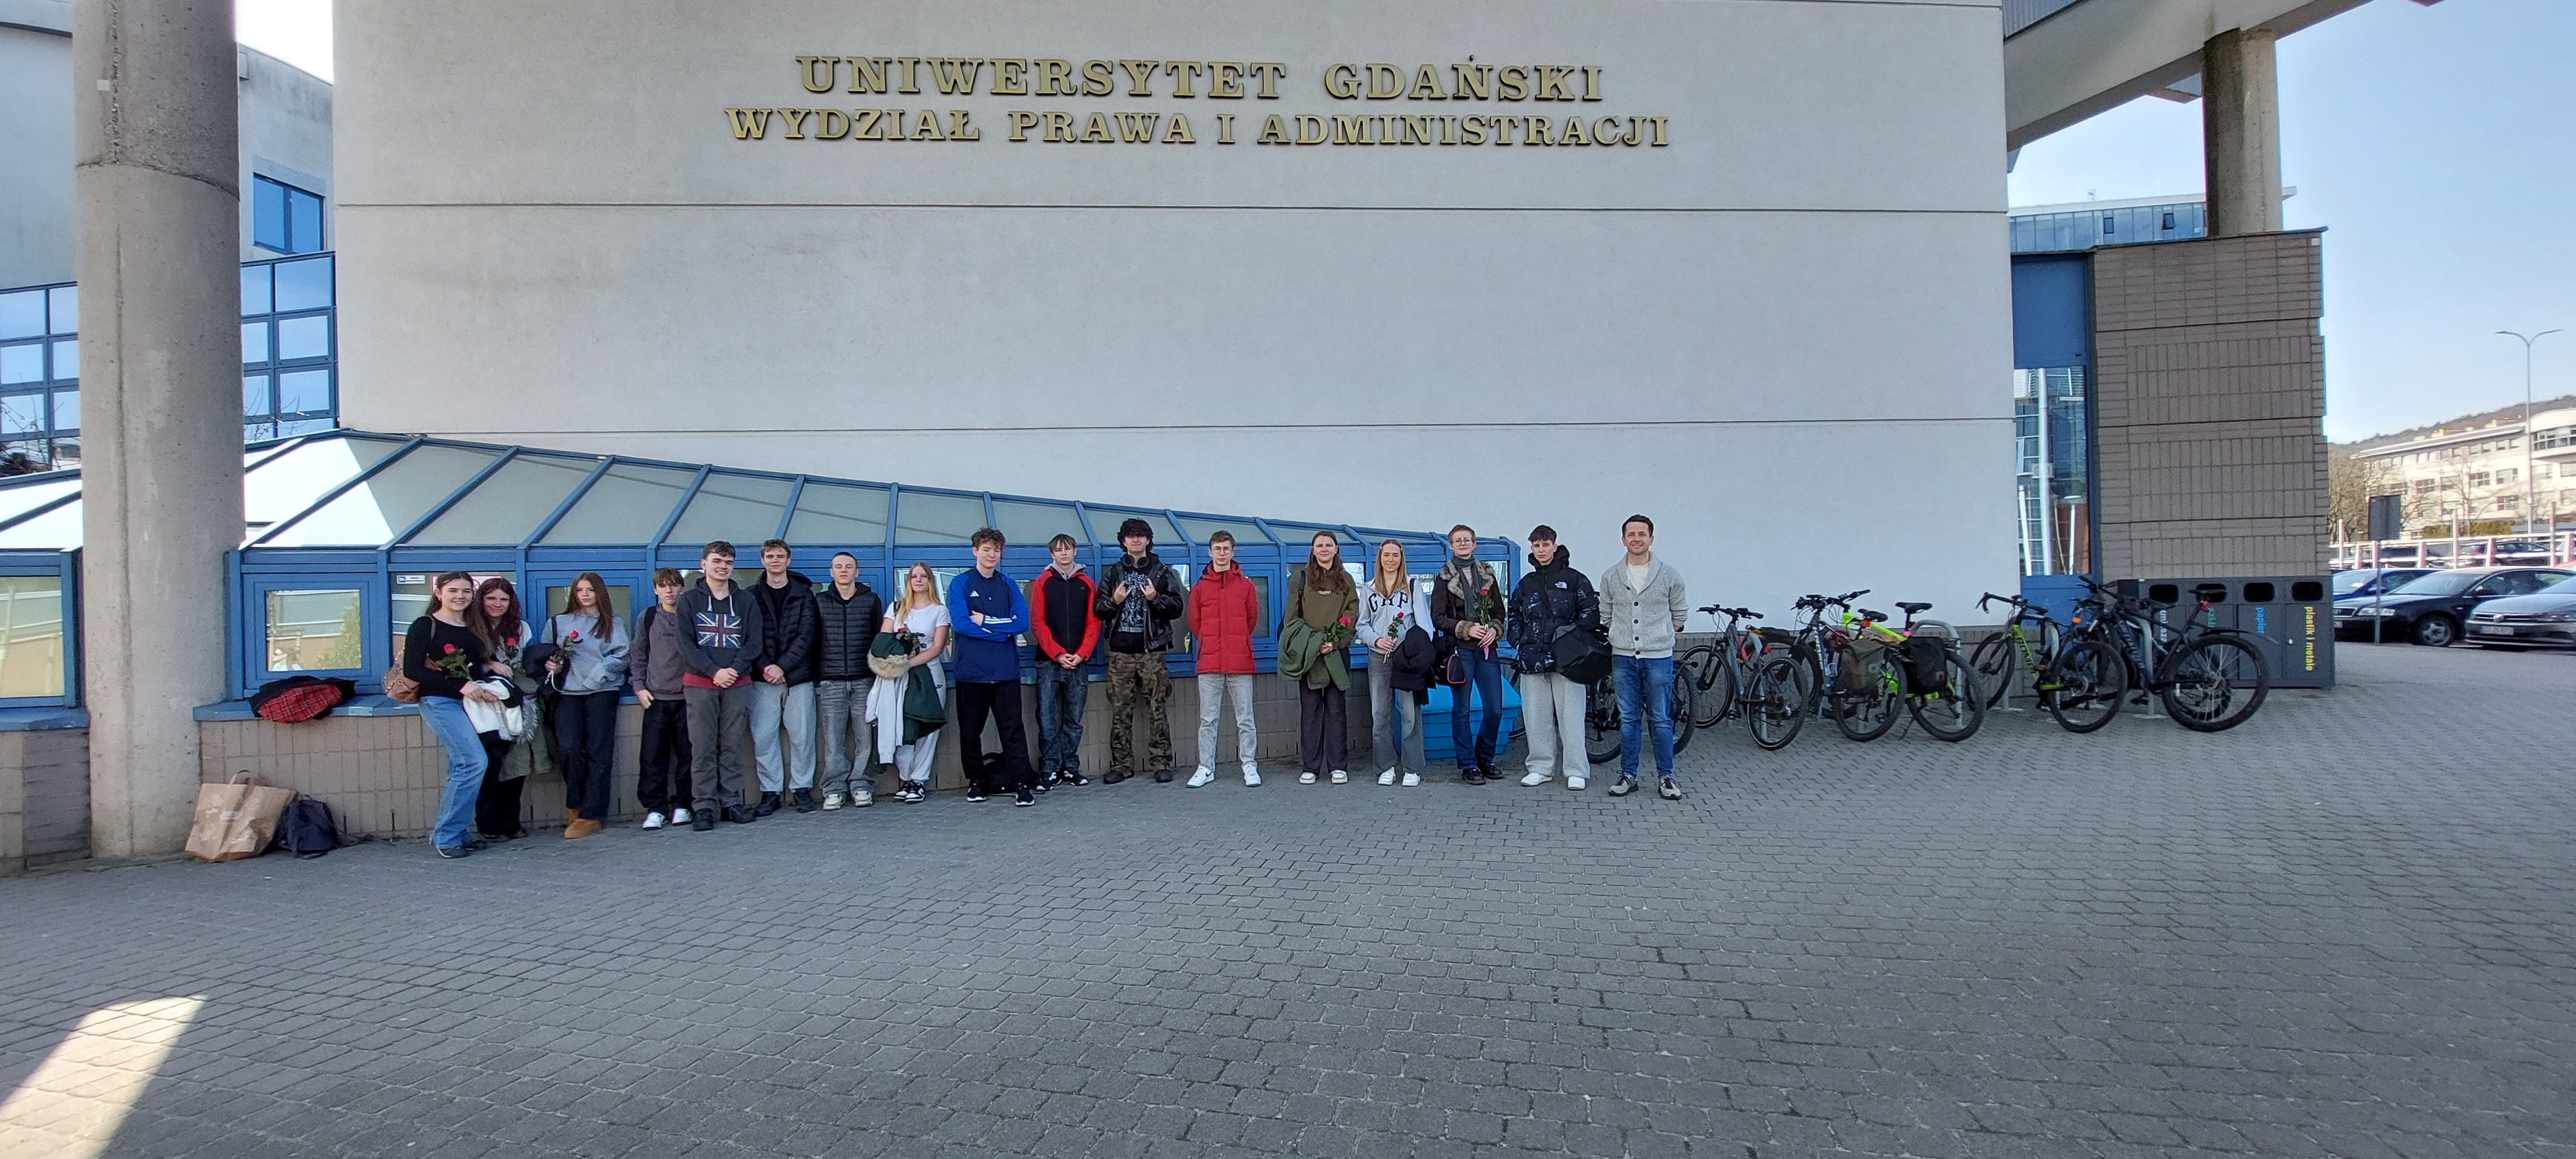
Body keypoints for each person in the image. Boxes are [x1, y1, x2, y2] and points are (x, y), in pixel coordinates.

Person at [409, 571, 507, 859]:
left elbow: (475, 665)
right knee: (473, 762)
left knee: (462, 766)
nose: (460, 596)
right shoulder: (424, 625)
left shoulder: (474, 625)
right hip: (440, 701)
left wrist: (489, 670)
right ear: (439, 593)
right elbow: (413, 669)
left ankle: (459, 833)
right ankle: (447, 836)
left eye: (466, 591)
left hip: (472, 704)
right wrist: (460, 685)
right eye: (453, 591)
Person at [676, 541, 766, 831]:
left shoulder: (745, 601)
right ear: (703, 564)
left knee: (731, 745)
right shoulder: (689, 601)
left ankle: (731, 802)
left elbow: (754, 641)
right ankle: (704, 806)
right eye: (717, 561)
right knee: (702, 746)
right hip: (700, 684)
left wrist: (734, 670)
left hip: (737, 684)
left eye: (728, 562)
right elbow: (685, 644)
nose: (723, 567)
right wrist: (714, 671)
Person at [1599, 514, 1689, 800]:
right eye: (1631, 534)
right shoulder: (1611, 576)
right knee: (1628, 719)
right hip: (1623, 658)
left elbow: (1680, 613)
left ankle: (1666, 777)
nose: (1636, 539)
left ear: (1651, 538)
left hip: (1658, 658)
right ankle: (1628, 775)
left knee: (1660, 718)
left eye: (1642, 534)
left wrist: (1661, 635)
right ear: (1623, 540)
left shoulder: (1669, 575)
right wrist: (1619, 635)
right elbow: (1606, 614)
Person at [948, 528, 1039, 806]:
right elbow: (961, 624)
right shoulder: (960, 583)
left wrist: (986, 622)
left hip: (1005, 673)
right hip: (971, 673)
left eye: (996, 550)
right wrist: (1002, 630)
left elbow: (1022, 623)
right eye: (986, 549)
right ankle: (976, 782)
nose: (992, 555)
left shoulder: (1009, 585)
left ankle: (1022, 784)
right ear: (975, 551)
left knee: (1013, 731)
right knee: (970, 732)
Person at [1092, 517, 1186, 784]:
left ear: (1148, 540)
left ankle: (1161, 763)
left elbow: (1178, 608)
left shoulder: (1162, 572)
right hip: (1120, 653)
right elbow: (1098, 609)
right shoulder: (1114, 573)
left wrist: (1155, 598)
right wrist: (1114, 601)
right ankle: (1122, 765)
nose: (1136, 540)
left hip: (1152, 651)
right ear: (1123, 541)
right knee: (1120, 709)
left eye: (1140, 536)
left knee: (1157, 708)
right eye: (1131, 536)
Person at [1511, 526, 1600, 791]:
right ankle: (1540, 767)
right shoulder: (1526, 583)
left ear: (1555, 546)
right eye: (1536, 546)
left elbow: (1590, 613)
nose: (1541, 550)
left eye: (1545, 544)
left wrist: (1570, 642)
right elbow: (1514, 614)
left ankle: (1576, 770)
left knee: (1571, 717)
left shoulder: (1575, 579)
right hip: (1532, 661)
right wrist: (1519, 640)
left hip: (1567, 663)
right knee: (1536, 718)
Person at [544, 572, 629, 838]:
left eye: (590, 590)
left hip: (602, 691)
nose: (585, 595)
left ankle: (592, 814)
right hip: (567, 692)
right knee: (569, 748)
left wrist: (598, 675)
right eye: (580, 590)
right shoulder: (558, 622)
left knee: (598, 752)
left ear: (600, 592)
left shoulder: (612, 622)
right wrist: (551, 663)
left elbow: (622, 654)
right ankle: (576, 804)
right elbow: (545, 651)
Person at [470, 577, 552, 841]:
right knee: (493, 761)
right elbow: (462, 665)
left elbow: (526, 663)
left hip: (516, 700)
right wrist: (489, 665)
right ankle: (488, 823)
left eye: (503, 599)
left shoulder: (521, 628)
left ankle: (510, 821)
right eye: (491, 598)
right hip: (484, 702)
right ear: (481, 600)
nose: (497, 604)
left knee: (518, 761)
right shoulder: (470, 627)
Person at [746, 540, 820, 815]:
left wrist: (783, 667)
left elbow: (807, 635)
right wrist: (767, 666)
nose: (775, 560)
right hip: (761, 677)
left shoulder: (804, 594)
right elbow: (750, 636)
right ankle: (771, 792)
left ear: (789, 561)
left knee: (802, 736)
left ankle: (802, 789)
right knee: (764, 737)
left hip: (798, 676)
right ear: (763, 560)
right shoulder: (750, 595)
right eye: (770, 556)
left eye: (780, 556)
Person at [1432, 525, 1508, 784]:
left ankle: (1485, 758)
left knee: (1495, 709)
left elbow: (1500, 612)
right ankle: (1468, 765)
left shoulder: (1487, 573)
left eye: (1467, 540)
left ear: (1475, 544)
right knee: (1462, 709)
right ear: (1451, 545)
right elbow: (1437, 618)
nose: (1463, 544)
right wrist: (1466, 628)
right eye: (1458, 541)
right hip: (1460, 650)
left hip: (1487, 650)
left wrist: (1494, 629)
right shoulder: (1444, 577)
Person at [1186, 531, 1262, 787]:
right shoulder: (1200, 588)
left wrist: (1236, 643)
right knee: (1208, 720)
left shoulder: (1246, 586)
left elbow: (1251, 621)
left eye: (1226, 549)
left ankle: (1249, 765)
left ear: (1232, 552)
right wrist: (1212, 643)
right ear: (1210, 552)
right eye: (1217, 549)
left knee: (1246, 719)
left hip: (1240, 663)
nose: (1222, 553)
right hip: (1210, 663)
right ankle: (1206, 768)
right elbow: (1195, 623)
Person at [1282, 531, 1356, 786]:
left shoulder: (1346, 580)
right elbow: (1292, 618)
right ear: (1313, 550)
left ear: (1336, 549)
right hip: (1309, 654)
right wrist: (1312, 644)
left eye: (1329, 545)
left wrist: (1335, 642)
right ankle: (1311, 767)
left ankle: (1338, 766)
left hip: (1336, 653)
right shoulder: (1300, 579)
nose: (1324, 549)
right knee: (1311, 710)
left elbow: (1351, 614)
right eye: (1319, 545)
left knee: (1336, 709)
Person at [1358, 540, 1432, 787]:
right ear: (1380, 558)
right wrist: (1376, 640)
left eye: (1395, 556)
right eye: (1386, 555)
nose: (1391, 560)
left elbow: (1424, 624)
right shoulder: (1369, 588)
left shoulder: (1412, 585)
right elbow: (1361, 624)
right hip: (1378, 657)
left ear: (1402, 559)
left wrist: (1416, 651)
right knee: (1380, 714)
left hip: (1406, 659)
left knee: (1410, 714)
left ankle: (1412, 767)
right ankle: (1386, 766)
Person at [1027, 534, 1099, 788]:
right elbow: (1037, 622)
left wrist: (1082, 654)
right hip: (1048, 662)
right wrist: (1057, 653)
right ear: (1052, 554)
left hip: (1079, 661)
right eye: (1058, 550)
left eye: (1067, 549)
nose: (1064, 553)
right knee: (1047, 719)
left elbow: (1094, 622)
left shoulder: (1087, 584)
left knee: (1074, 720)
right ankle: (1048, 770)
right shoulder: (1043, 582)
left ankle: (1070, 768)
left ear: (1075, 552)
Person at [813, 551, 883, 810]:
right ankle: (834, 789)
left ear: (857, 572)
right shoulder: (820, 601)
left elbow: (877, 639)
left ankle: (862, 785)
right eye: (838, 567)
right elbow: (814, 640)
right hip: (831, 681)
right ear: (831, 572)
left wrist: (876, 674)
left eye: (849, 566)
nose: (844, 570)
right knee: (833, 741)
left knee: (866, 739)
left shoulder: (871, 601)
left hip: (863, 679)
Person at [877, 561, 950, 802]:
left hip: (929, 675)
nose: (918, 580)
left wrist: (910, 663)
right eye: (914, 576)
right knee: (901, 726)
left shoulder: (939, 610)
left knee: (927, 728)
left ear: (930, 580)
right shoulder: (897, 608)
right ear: (908, 581)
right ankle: (907, 777)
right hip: (899, 678)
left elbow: (937, 647)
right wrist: (898, 660)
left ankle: (918, 780)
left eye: (924, 576)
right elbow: (884, 639)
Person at [628, 568, 694, 830]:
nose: (669, 590)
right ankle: (656, 808)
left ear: (682, 588)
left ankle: (683, 805)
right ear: (656, 589)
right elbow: (638, 654)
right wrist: (639, 687)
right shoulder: (648, 618)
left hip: (688, 697)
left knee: (688, 756)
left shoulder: (691, 616)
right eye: (664, 586)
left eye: (674, 585)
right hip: (655, 698)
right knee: (653, 757)